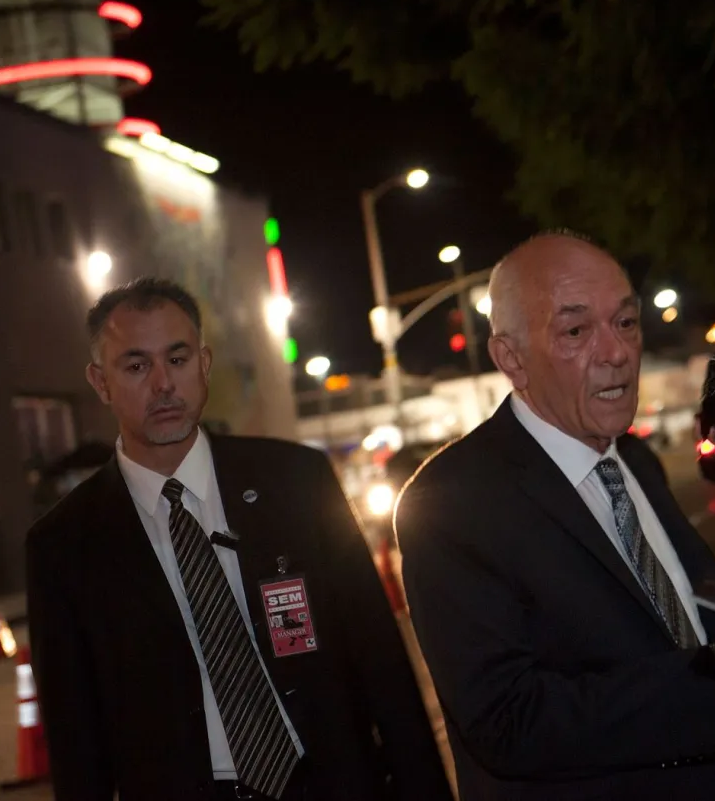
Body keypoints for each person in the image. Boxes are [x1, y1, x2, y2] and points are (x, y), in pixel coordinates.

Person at [396, 231, 715, 801]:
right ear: (511, 358)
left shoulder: (635, 460)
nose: (615, 352)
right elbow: (507, 721)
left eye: (627, 323)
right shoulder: (450, 502)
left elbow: (692, 623)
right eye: (576, 330)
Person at [26, 279, 452, 801]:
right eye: (136, 366)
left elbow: (380, 660)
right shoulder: (64, 544)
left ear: (204, 364)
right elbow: (76, 738)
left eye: (177, 359)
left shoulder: (297, 481)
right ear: (100, 382)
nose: (163, 383)